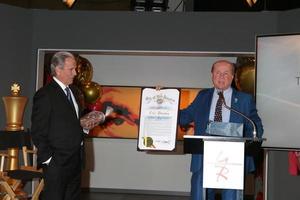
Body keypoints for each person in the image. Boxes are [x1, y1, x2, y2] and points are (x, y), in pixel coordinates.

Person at [179, 60, 263, 200]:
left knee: (232, 195)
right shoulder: (202, 96)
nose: (221, 76)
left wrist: (246, 145)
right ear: (212, 75)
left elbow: (255, 126)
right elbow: (184, 117)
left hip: (233, 157)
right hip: (204, 154)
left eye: (226, 73)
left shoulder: (244, 100)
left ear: (232, 77)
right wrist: (164, 103)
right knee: (200, 193)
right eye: (218, 73)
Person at [31, 51, 98, 200]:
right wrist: (49, 160)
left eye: (75, 69)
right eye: (71, 69)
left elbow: (74, 123)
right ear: (58, 70)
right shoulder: (45, 95)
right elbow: (37, 131)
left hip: (76, 160)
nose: (75, 73)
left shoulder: (74, 91)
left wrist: (86, 125)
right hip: (57, 162)